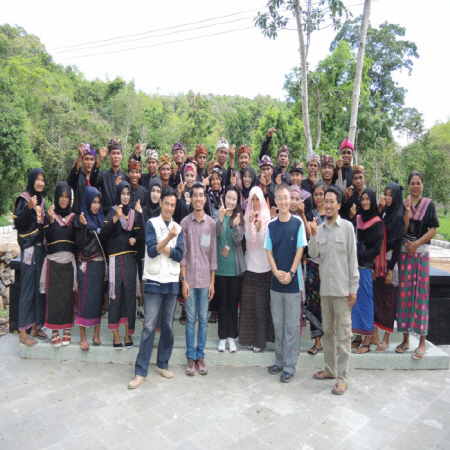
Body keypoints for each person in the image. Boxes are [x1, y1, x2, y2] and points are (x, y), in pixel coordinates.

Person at [129, 188, 184, 389]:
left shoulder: (179, 227)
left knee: (168, 326)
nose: (170, 207)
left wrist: (163, 247)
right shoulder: (151, 223)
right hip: (153, 281)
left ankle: (162, 363)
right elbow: (151, 251)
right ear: (161, 203)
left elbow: (179, 255)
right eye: (167, 203)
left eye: (173, 205)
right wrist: (168, 238)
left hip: (171, 282)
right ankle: (140, 371)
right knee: (149, 326)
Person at [308, 185, 359, 395]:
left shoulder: (347, 227)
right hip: (326, 290)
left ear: (339, 205)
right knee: (328, 332)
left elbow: (352, 260)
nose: (327, 205)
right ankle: (329, 369)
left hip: (342, 291)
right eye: (325, 201)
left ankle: (342, 377)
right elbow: (313, 255)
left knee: (344, 335)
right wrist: (312, 235)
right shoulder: (319, 229)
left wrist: (353, 288)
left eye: (331, 201)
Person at [265, 183, 306, 383]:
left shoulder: (297, 223)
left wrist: (290, 273)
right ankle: (279, 361)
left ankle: (290, 366)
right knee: (278, 324)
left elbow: (300, 250)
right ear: (275, 201)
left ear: (291, 200)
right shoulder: (271, 225)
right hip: (276, 283)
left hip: (292, 283)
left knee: (291, 326)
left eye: (286, 197)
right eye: (279, 197)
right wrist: (275, 272)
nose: (282, 201)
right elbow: (269, 251)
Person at [396, 171, 439, 360]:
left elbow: (434, 230)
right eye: (412, 183)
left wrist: (417, 243)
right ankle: (405, 339)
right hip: (405, 256)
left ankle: (422, 342)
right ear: (408, 185)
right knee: (404, 296)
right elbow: (404, 230)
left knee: (421, 297)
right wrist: (405, 212)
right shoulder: (403, 204)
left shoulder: (429, 205)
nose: (415, 186)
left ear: (422, 185)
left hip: (420, 256)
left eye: (418, 183)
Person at [180, 182, 217, 375]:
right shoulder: (185, 223)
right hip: (190, 280)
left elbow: (212, 255)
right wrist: (183, 279)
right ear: (191, 198)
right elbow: (183, 254)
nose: (198, 198)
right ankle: (190, 357)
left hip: (205, 281)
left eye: (201, 195)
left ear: (205, 198)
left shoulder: (211, 224)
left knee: (203, 319)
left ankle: (200, 356)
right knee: (191, 319)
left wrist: (212, 282)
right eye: (195, 195)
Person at [101, 181, 143, 349]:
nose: (125, 197)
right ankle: (116, 334)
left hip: (130, 260)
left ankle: (128, 334)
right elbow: (103, 233)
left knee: (129, 296)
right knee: (115, 295)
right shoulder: (112, 211)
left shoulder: (134, 213)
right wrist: (115, 218)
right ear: (118, 195)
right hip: (115, 260)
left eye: (127, 194)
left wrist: (136, 239)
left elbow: (141, 235)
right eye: (122, 194)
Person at [372, 182, 410, 352]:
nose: (387, 197)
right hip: (379, 261)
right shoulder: (386, 212)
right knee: (377, 298)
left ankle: (386, 338)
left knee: (389, 301)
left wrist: (390, 270)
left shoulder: (397, 216)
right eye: (385, 194)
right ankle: (375, 335)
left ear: (395, 197)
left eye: (390, 195)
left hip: (389, 263)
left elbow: (397, 245)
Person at [41, 182, 78, 348]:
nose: (64, 200)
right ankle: (55, 331)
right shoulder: (50, 216)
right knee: (54, 298)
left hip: (69, 263)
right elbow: (48, 238)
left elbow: (77, 242)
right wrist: (49, 220)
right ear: (56, 197)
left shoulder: (74, 218)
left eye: (67, 196)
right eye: (61, 196)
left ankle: (67, 329)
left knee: (67, 297)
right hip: (53, 262)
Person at [13, 168, 47, 346]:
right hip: (29, 250)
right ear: (32, 180)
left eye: (42, 179)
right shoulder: (24, 199)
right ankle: (23, 333)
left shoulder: (41, 200)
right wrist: (28, 209)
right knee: (27, 289)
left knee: (40, 288)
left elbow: (44, 222)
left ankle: (36, 326)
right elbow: (18, 224)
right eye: (38, 179)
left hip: (41, 249)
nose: (40, 182)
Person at [238, 186, 274, 352]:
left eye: (257, 200)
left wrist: (259, 228)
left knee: (261, 305)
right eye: (252, 199)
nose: (254, 203)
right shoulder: (247, 217)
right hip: (250, 266)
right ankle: (249, 338)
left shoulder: (268, 219)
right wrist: (251, 223)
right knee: (249, 304)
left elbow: (262, 243)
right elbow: (248, 240)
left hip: (264, 267)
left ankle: (260, 341)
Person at [351, 188, 384, 354]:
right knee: (355, 303)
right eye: (362, 199)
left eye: (367, 199)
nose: (364, 202)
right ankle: (357, 337)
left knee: (365, 303)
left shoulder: (376, 222)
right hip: (355, 267)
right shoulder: (359, 219)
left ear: (372, 201)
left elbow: (376, 249)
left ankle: (367, 341)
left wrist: (360, 254)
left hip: (366, 268)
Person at [74, 186, 106, 350]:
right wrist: (84, 226)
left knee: (97, 300)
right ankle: (83, 337)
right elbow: (79, 243)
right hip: (86, 264)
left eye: (98, 202)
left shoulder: (102, 219)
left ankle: (96, 334)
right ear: (87, 201)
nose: (96, 205)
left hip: (100, 265)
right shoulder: (81, 219)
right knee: (85, 300)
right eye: (93, 202)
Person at [215, 184, 246, 353]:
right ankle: (221, 337)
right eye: (229, 198)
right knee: (222, 304)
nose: (231, 201)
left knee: (233, 304)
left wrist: (235, 225)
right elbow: (217, 234)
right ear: (224, 197)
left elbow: (237, 241)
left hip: (235, 269)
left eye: (234, 199)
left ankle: (231, 338)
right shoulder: (217, 214)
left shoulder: (239, 217)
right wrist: (220, 218)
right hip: (219, 269)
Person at [304, 181, 327, 355]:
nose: (319, 197)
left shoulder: (333, 215)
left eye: (321, 194)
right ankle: (317, 342)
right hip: (312, 264)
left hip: (329, 265)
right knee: (313, 304)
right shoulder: (310, 214)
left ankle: (329, 342)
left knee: (328, 304)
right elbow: (306, 237)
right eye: (316, 194)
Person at [67, 143, 105, 214]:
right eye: (86, 159)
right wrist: (79, 157)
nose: (89, 162)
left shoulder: (98, 177)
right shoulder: (78, 176)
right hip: (78, 218)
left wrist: (99, 161)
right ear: (82, 160)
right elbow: (71, 180)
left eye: (92, 159)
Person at [95, 139, 128, 215]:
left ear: (121, 156)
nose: (116, 156)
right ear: (109, 156)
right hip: (105, 215)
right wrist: (98, 161)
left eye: (118, 153)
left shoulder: (125, 177)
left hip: (122, 216)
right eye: (113, 153)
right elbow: (93, 182)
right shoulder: (102, 175)